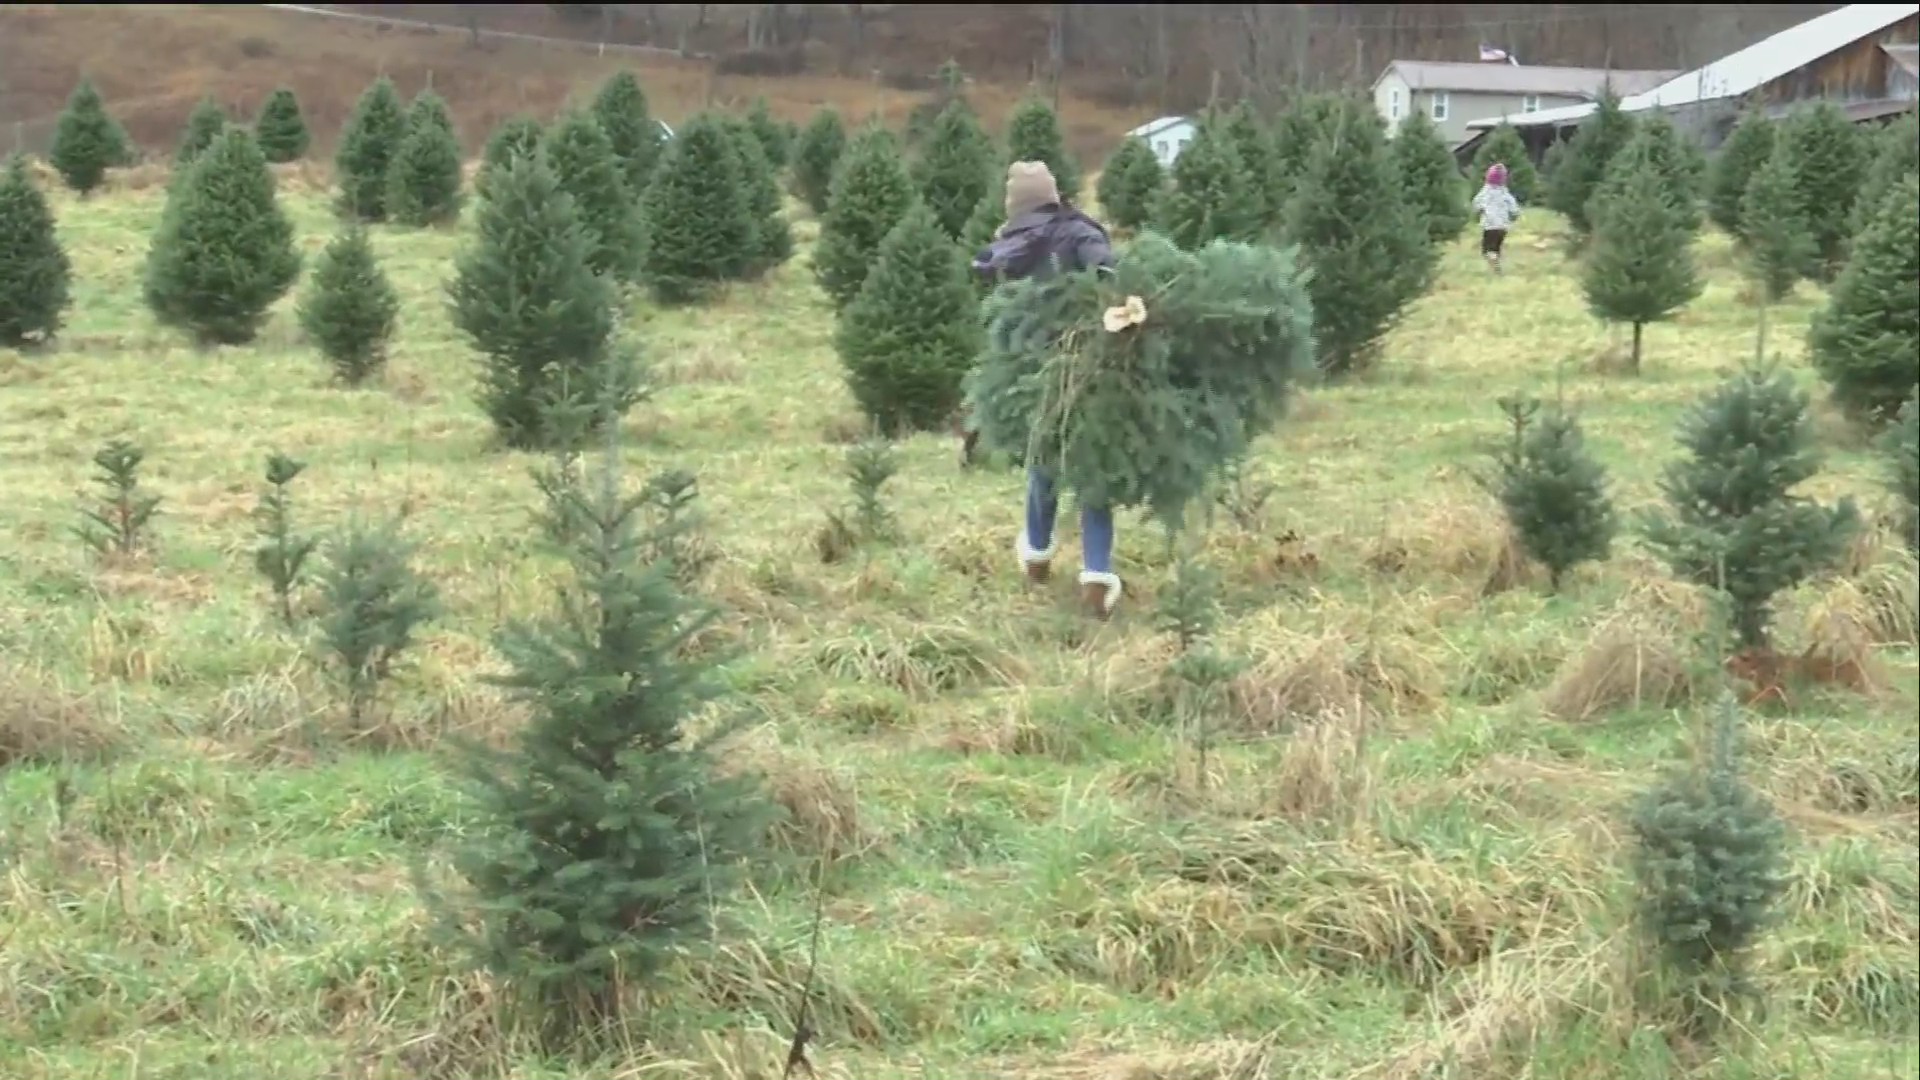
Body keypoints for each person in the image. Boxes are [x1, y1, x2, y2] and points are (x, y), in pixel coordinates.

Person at [968, 161, 1124, 619]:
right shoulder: (1077, 232)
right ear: (1053, 196)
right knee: (1093, 465)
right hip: (1087, 363)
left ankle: (1036, 552)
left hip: (1030, 371)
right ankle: (1097, 572)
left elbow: (986, 280)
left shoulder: (1008, 246)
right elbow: (1108, 273)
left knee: (1044, 461)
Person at [1472, 162, 1521, 274]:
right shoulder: (1504, 192)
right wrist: (1514, 216)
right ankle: (1495, 269)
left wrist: (1478, 212)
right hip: (1503, 226)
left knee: (1487, 250)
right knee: (1496, 247)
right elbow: (1513, 208)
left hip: (1489, 225)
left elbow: (1476, 203)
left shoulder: (1485, 191)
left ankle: (1494, 263)